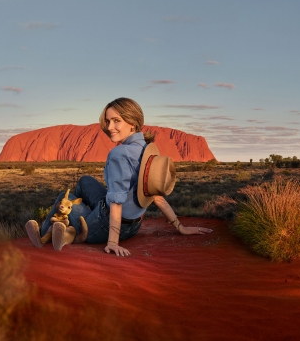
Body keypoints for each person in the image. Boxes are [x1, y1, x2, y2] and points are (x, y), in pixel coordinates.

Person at [25, 97, 212, 256]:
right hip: (134, 227)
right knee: (84, 181)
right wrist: (179, 226)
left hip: (106, 226)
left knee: (62, 198)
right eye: (108, 121)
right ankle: (71, 226)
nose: (109, 127)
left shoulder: (119, 154)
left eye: (116, 121)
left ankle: (46, 234)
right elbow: (155, 194)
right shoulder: (147, 149)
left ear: (132, 123)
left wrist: (113, 242)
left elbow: (116, 201)